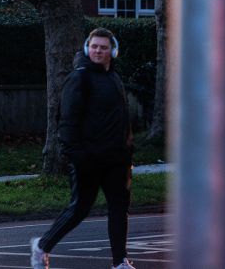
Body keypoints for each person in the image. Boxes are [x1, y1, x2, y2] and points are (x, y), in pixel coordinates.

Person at [31, 28, 135, 269]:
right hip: (88, 159)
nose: (98, 51)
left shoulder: (114, 78)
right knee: (79, 209)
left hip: (117, 160)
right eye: (95, 46)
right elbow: (67, 120)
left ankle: (120, 262)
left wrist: (128, 151)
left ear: (113, 51)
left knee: (119, 210)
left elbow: (122, 119)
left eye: (104, 47)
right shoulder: (80, 77)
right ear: (88, 49)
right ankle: (42, 246)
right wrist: (77, 156)